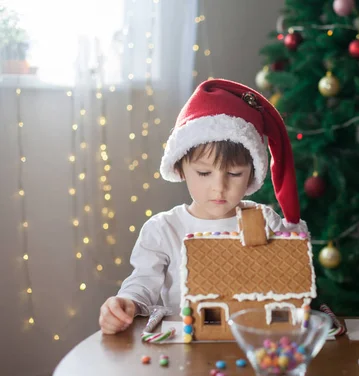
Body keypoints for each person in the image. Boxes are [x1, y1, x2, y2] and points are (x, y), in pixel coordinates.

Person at [98, 79, 306, 334]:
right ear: (180, 169)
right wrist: (125, 303)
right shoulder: (164, 229)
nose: (219, 187)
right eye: (204, 173)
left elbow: (289, 278)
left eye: (234, 174)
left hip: (250, 343)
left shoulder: (264, 221)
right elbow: (143, 283)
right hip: (183, 347)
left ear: (253, 173)